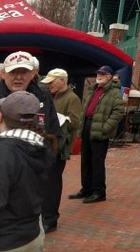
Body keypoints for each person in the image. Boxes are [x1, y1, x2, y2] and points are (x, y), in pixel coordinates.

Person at [0, 91, 53, 252]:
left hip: (7, 240)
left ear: (1, 117)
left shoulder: (5, 152)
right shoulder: (41, 146)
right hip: (32, 233)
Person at [68, 65, 124, 204]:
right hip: (87, 126)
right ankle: (86, 189)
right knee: (85, 160)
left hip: (100, 130)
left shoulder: (114, 92)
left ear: (110, 76)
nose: (99, 75)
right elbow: (84, 109)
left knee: (97, 162)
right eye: (98, 73)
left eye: (103, 74)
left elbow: (118, 112)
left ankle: (99, 192)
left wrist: (106, 128)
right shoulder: (93, 89)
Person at [40, 68, 82, 233]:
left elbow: (76, 122)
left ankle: (50, 219)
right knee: (46, 182)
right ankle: (45, 215)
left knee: (53, 183)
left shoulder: (72, 98)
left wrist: (59, 119)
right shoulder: (52, 96)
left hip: (60, 147)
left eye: (52, 81)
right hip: (49, 145)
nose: (49, 84)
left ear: (62, 80)